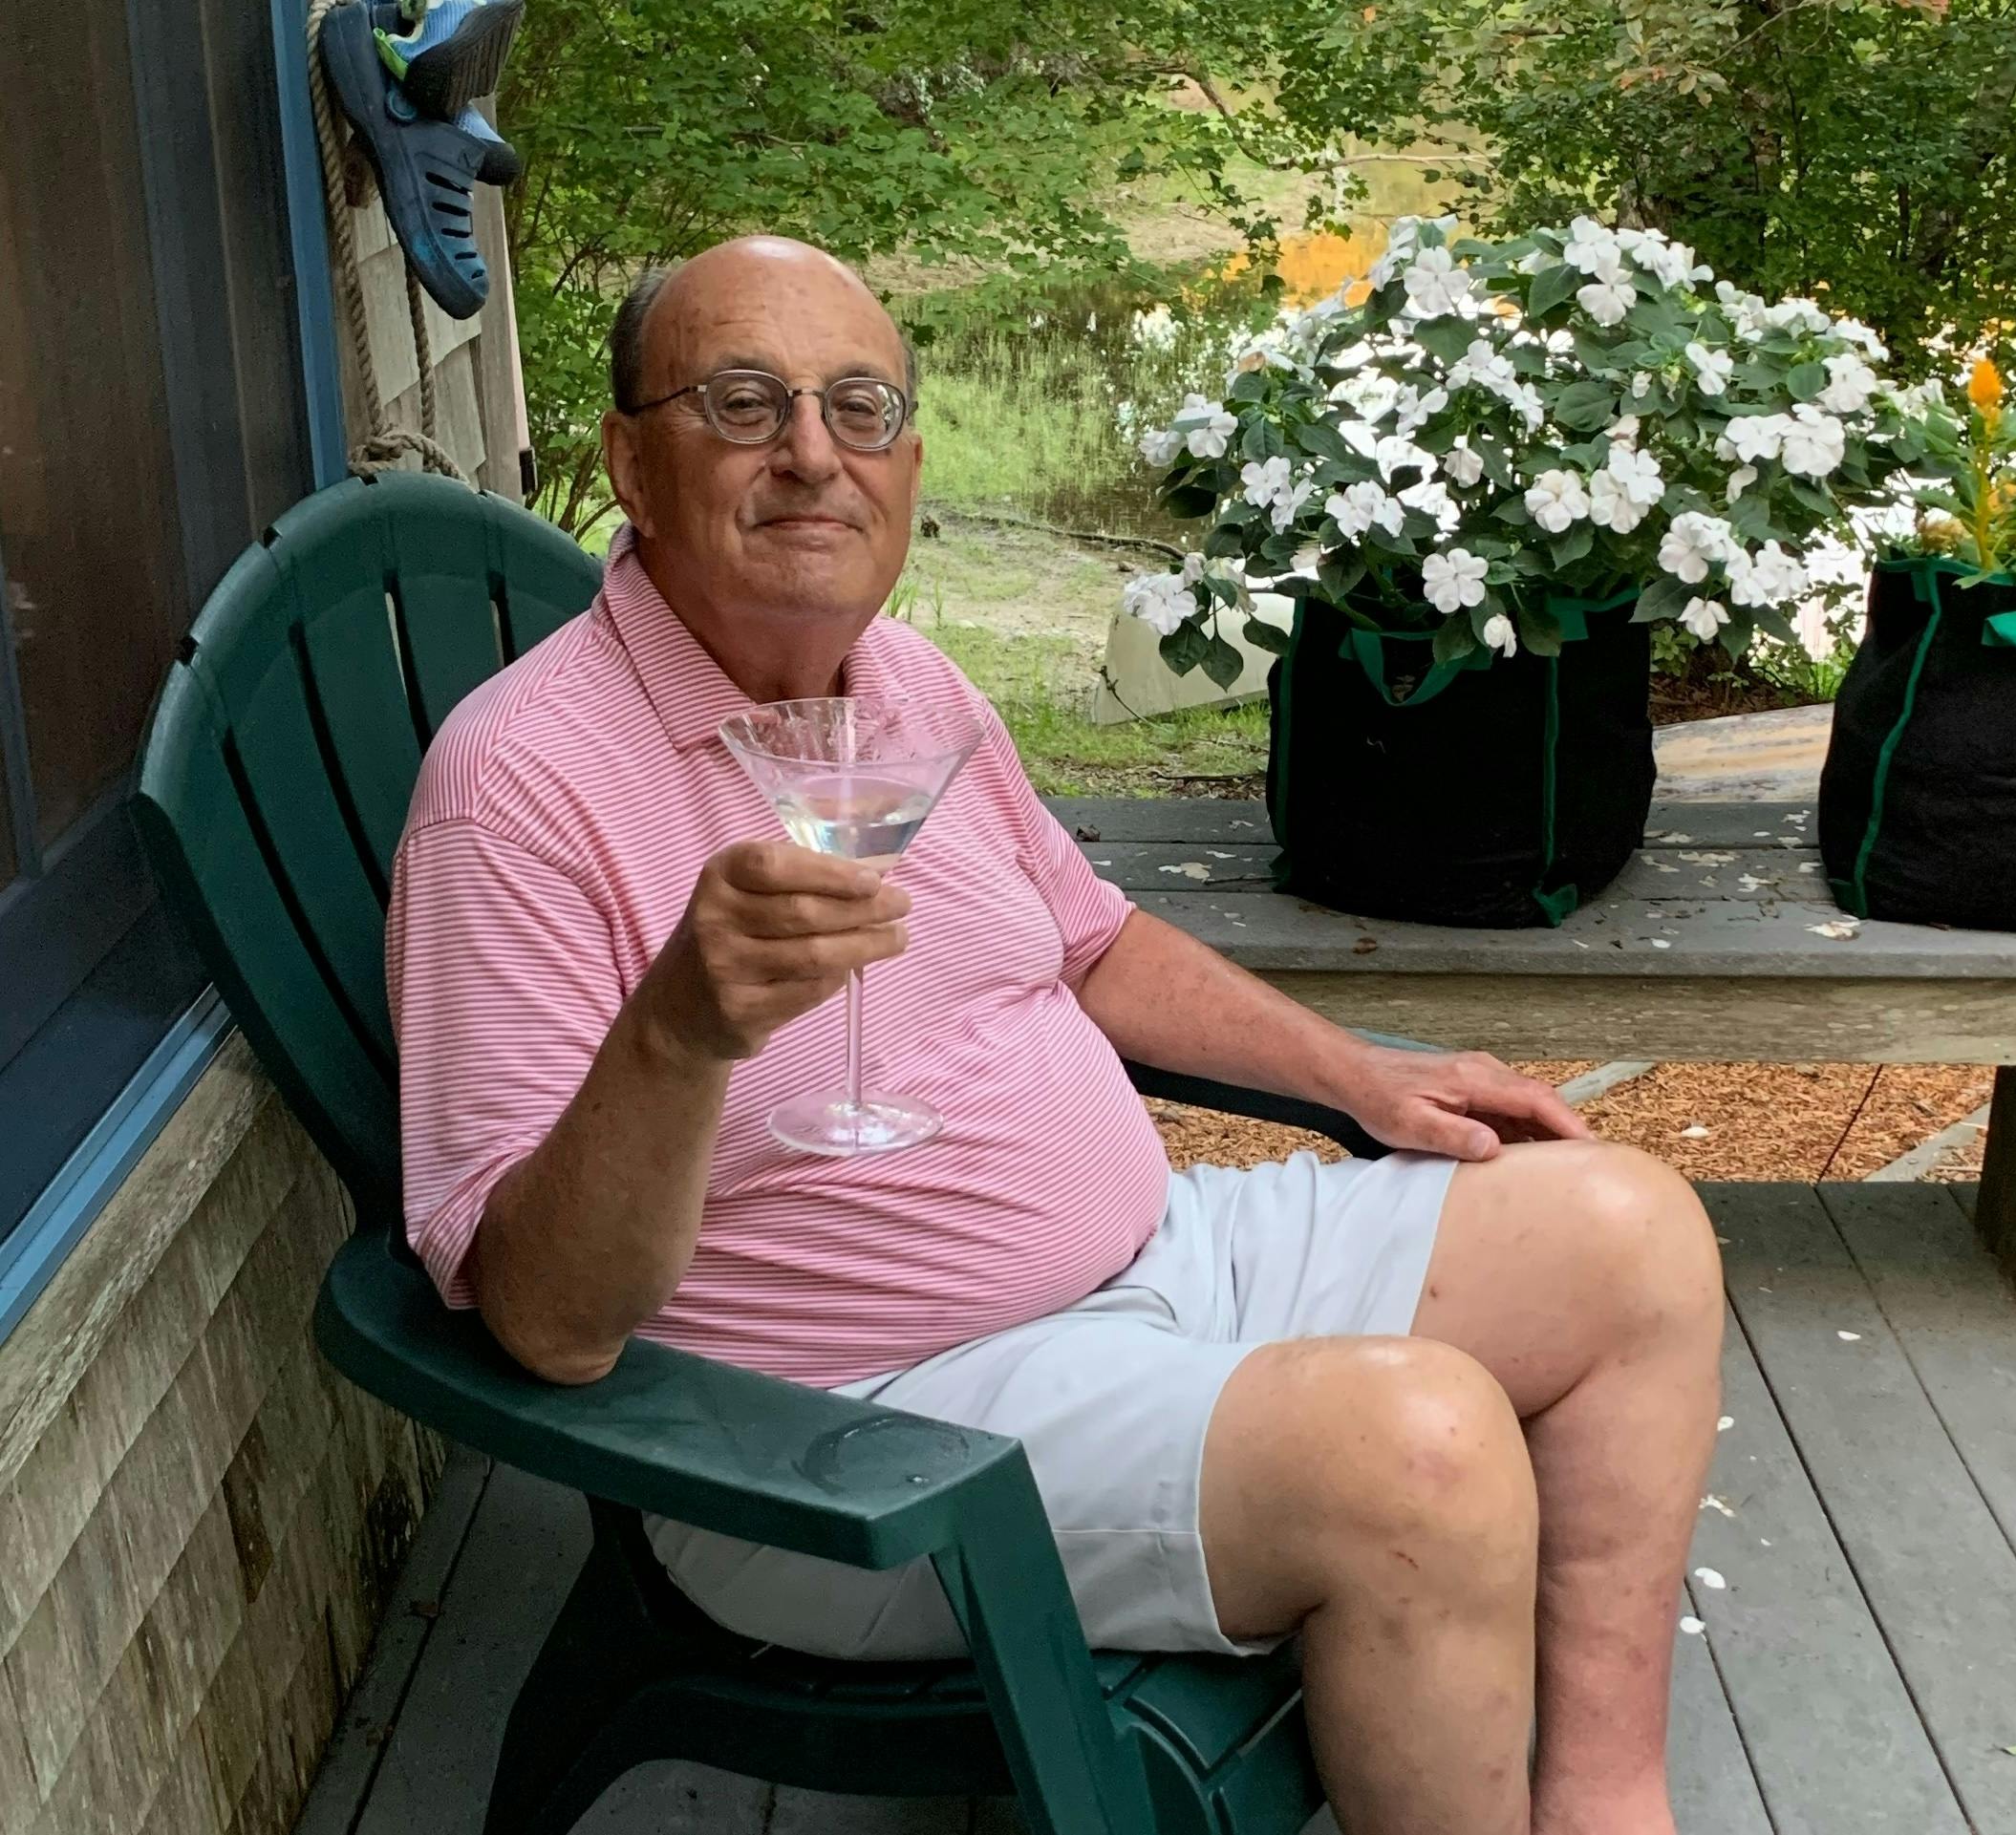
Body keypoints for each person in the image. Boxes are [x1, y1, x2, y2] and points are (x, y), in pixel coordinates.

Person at [386, 234, 1723, 1835]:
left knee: (1628, 1230)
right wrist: (679, 1034)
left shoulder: (909, 683)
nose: (813, 453)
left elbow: (1090, 940)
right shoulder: (516, 785)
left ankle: (1600, 1809)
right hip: (855, 1427)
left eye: (859, 408)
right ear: (630, 461)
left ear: (906, 463)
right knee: (1415, 1460)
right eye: (743, 403)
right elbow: (541, 1320)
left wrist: (1352, 1073)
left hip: (1150, 1259)